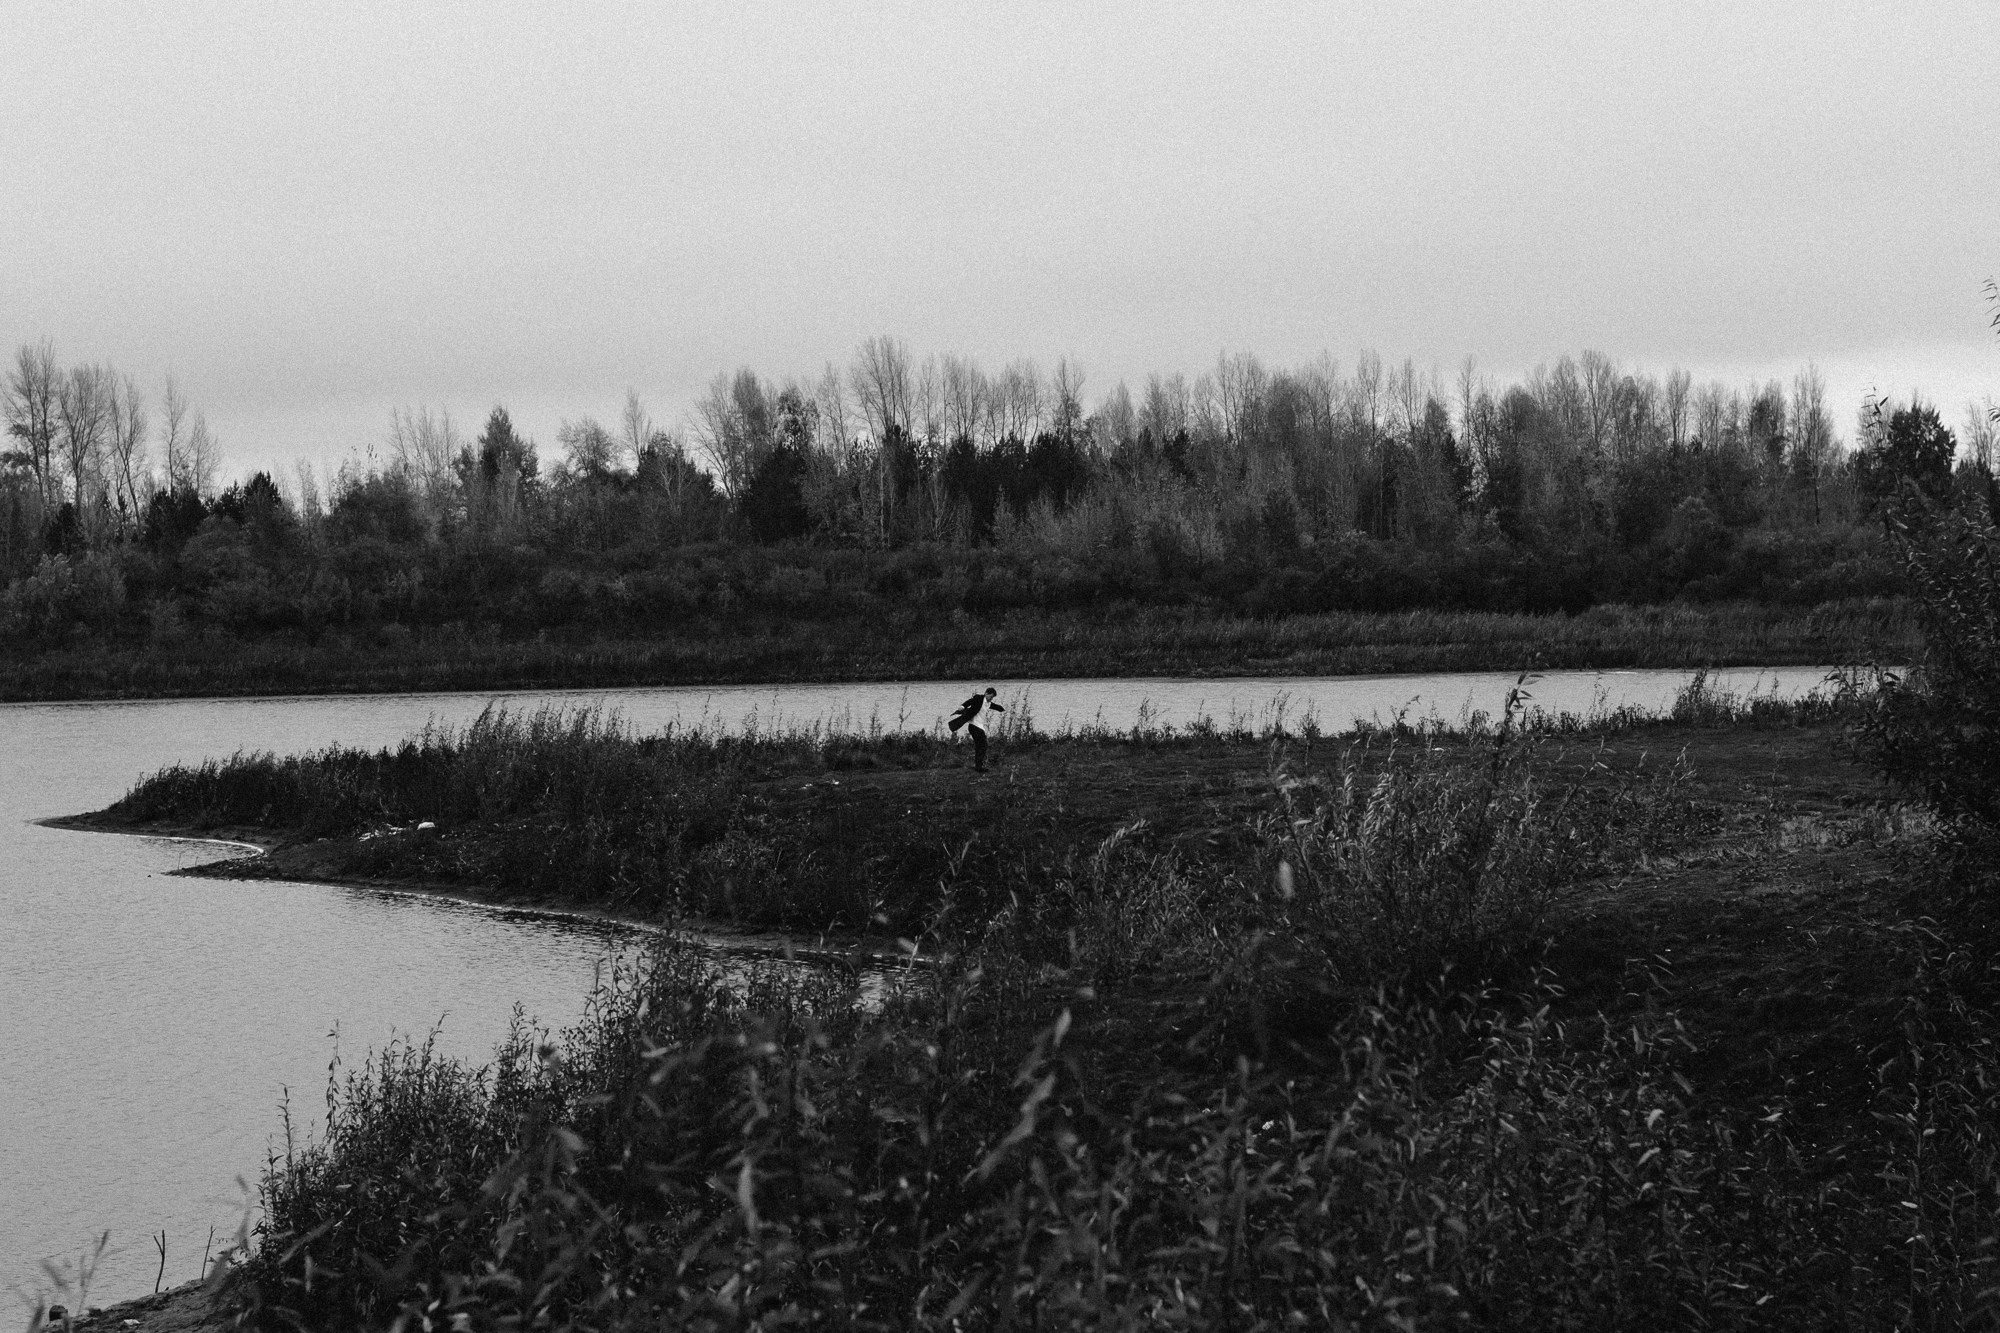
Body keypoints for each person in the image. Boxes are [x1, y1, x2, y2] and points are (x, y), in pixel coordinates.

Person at [948, 686, 1004, 771]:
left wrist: (1003, 709)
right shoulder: (979, 698)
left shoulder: (988, 703)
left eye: (992, 698)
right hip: (974, 726)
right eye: (990, 696)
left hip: (979, 727)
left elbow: (995, 706)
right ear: (986, 693)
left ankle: (978, 766)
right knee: (983, 745)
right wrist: (963, 706)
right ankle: (979, 766)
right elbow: (969, 701)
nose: (991, 699)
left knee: (981, 746)